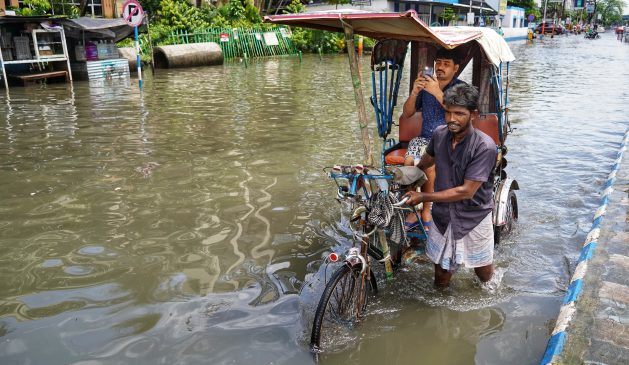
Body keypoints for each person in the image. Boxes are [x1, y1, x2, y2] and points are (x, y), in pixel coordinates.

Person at [402, 83, 498, 288]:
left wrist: (423, 197)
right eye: (448, 112)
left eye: (459, 114)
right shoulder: (439, 134)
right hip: (443, 215)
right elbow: (426, 162)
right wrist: (409, 179)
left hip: (473, 216)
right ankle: (439, 314)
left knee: (483, 274)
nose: (452, 119)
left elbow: (466, 191)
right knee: (441, 276)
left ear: (473, 114)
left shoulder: (484, 146)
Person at [400, 47, 466, 230]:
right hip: (424, 138)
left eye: (446, 64)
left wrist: (437, 91)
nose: (440, 67)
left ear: (456, 68)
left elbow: (458, 112)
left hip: (450, 140)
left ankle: (427, 209)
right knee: (409, 163)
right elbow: (407, 114)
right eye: (438, 63)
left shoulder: (461, 88)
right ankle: (414, 208)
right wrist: (415, 92)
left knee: (429, 166)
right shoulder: (426, 88)